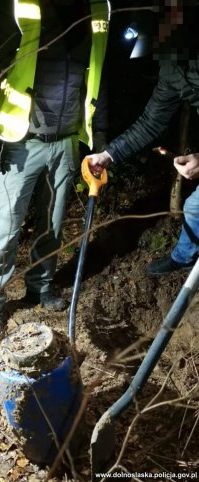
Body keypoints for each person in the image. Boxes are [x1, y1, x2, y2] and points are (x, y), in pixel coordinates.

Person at [0, 0, 110, 342]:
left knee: (53, 222)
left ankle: (41, 286)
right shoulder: (24, 9)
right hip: (22, 142)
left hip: (66, 143)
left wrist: (102, 142)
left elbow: (99, 80)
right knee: (5, 227)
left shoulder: (97, 12)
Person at [89, 0, 199, 277]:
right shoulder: (173, 68)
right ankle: (184, 258)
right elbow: (151, 122)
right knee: (195, 206)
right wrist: (108, 154)